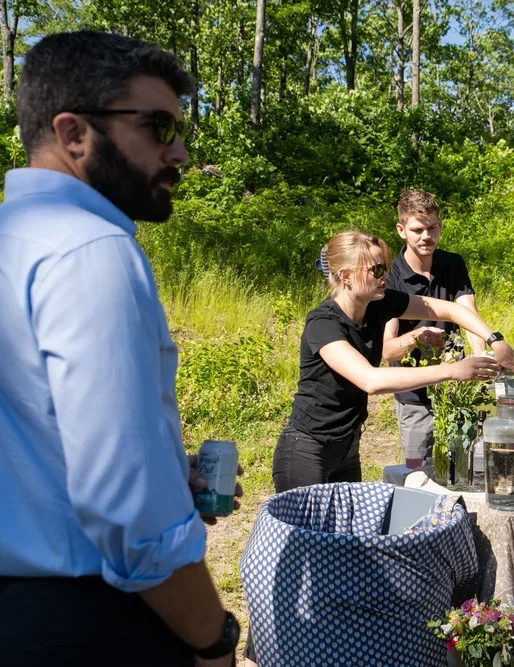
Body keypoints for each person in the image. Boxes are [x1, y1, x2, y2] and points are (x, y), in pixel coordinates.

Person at [0, 32, 240, 666]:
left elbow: (31, 448)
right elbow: (127, 512)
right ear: (74, 134)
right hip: (90, 625)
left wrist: (163, 466)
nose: (181, 152)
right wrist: (213, 639)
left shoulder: (13, 243)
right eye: (158, 126)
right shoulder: (91, 250)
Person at [273, 229, 514, 491]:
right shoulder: (323, 323)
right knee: (308, 532)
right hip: (306, 451)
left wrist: (495, 339)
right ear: (345, 276)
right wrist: (452, 370)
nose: (385, 276)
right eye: (376, 270)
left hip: (346, 448)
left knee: (347, 532)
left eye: (385, 268)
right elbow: (371, 380)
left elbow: (451, 309)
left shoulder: (379, 303)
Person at [382, 189, 485, 469]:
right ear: (401, 230)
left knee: (463, 467)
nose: (426, 236)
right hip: (413, 393)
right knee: (418, 472)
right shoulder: (390, 277)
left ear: (440, 226)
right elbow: (388, 350)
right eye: (417, 230)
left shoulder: (452, 264)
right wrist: (416, 336)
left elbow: (469, 316)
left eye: (432, 228)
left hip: (455, 386)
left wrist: (481, 355)